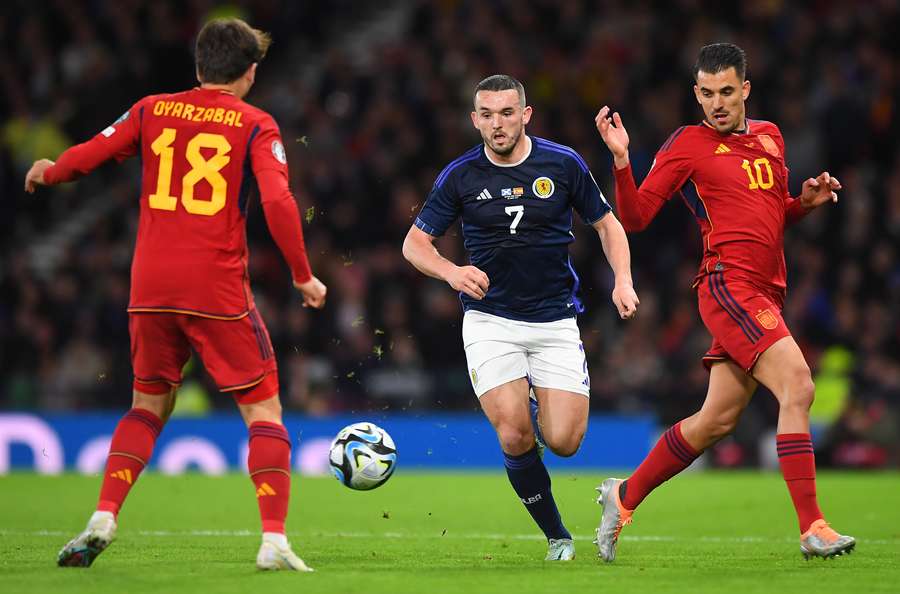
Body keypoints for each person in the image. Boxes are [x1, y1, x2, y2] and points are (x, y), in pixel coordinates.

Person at [25, 18, 327, 572]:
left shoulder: (151, 109)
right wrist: (302, 274)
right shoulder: (256, 123)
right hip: (215, 287)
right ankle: (274, 539)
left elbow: (89, 154)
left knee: (147, 405)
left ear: (197, 66)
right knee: (263, 409)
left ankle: (104, 515)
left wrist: (49, 172)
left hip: (149, 287)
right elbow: (280, 201)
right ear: (251, 73)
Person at [592, 42, 855, 561]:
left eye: (727, 92)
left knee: (715, 421)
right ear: (696, 93)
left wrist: (802, 202)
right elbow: (638, 216)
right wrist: (622, 160)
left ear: (745, 90)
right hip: (728, 284)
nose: (717, 103)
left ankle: (623, 497)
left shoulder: (771, 138)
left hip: (766, 291)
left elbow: (771, 214)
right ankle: (812, 526)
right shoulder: (688, 144)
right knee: (798, 386)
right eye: (707, 93)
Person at [403, 74, 639, 561]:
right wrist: (451, 272)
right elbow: (414, 243)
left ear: (526, 114)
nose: (497, 124)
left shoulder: (563, 163)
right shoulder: (461, 175)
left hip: (554, 321)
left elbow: (607, 224)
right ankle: (557, 537)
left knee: (565, 442)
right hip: (491, 322)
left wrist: (623, 280)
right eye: (487, 115)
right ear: (474, 120)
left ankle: (536, 405)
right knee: (513, 431)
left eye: (507, 113)